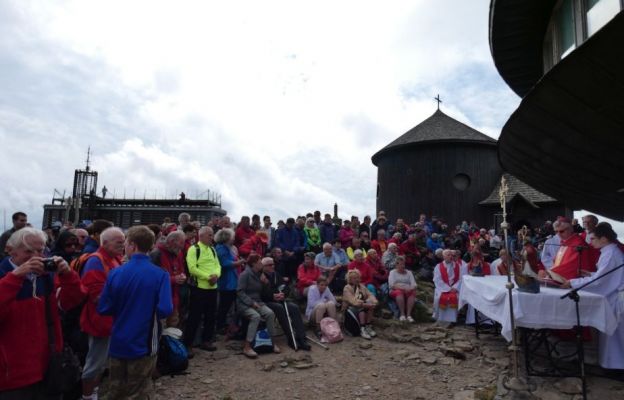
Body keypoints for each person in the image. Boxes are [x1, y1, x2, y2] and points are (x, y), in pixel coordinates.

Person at [0, 227, 84, 398]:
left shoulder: (46, 276)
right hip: (12, 375)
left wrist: (68, 275)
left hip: (48, 367)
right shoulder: (4, 275)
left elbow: (72, 302)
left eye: (40, 250)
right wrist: (15, 277)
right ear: (11, 251)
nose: (36, 256)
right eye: (28, 251)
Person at [97, 226, 172, 400]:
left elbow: (104, 308)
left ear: (131, 245)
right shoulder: (160, 275)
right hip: (144, 342)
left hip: (118, 341)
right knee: (139, 391)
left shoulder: (115, 273)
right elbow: (165, 309)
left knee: (115, 389)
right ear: (151, 246)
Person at [560, 222, 624, 369]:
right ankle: (612, 365)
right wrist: (592, 274)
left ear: (604, 239)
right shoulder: (609, 251)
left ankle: (617, 367)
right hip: (615, 296)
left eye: (594, 238)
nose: (590, 242)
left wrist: (572, 282)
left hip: (617, 299)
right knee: (613, 337)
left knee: (616, 337)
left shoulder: (610, 253)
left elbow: (600, 281)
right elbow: (608, 276)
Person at [80, 227, 125, 399]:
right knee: (95, 363)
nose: (122, 245)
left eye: (123, 242)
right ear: (104, 243)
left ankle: (95, 392)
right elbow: (96, 296)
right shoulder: (96, 261)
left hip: (112, 320)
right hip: (100, 321)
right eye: (118, 242)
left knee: (102, 362)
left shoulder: (115, 259)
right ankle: (87, 396)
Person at [184, 227, 221, 356]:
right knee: (194, 317)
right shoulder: (193, 249)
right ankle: (188, 344)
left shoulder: (212, 249)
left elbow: (218, 265)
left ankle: (206, 341)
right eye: (210, 235)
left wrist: (216, 276)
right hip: (199, 289)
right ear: (202, 236)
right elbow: (192, 268)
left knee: (211, 316)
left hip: (213, 288)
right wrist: (208, 277)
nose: (212, 237)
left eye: (212, 235)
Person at [260, 257, 310, 350]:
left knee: (294, 307)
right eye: (269, 265)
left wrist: (283, 294)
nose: (272, 266)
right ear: (263, 266)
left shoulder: (276, 275)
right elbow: (260, 293)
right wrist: (273, 295)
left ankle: (301, 337)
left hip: (280, 299)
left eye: (273, 264)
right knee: (280, 308)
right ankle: (291, 338)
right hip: (267, 301)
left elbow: (285, 287)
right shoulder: (260, 277)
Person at [237, 254, 281, 358]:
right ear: (253, 264)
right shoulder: (245, 274)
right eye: (259, 263)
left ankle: (273, 343)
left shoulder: (259, 274)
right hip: (244, 304)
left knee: (270, 313)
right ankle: (247, 347)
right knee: (255, 317)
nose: (261, 264)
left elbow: (264, 292)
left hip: (258, 302)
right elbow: (239, 291)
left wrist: (265, 282)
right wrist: (251, 303)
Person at [149, 230, 187, 328]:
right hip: (160, 301)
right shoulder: (156, 254)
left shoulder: (177, 252)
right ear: (172, 241)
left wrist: (182, 276)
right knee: (161, 329)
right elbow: (152, 279)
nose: (183, 246)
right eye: (181, 242)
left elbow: (181, 269)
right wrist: (174, 279)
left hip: (174, 299)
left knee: (172, 329)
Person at [214, 228, 245, 332]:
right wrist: (239, 262)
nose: (234, 239)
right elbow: (225, 264)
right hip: (226, 281)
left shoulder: (227, 248)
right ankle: (220, 326)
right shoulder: (221, 249)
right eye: (232, 237)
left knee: (227, 305)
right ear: (226, 238)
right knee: (224, 306)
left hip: (231, 280)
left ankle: (224, 324)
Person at [433, 249, 467, 324]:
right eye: (448, 255)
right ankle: (441, 318)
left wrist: (455, 287)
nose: (451, 256)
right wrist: (448, 288)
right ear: (443, 256)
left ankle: (453, 319)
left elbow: (461, 279)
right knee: (439, 297)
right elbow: (437, 279)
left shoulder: (458, 266)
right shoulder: (438, 267)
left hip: (454, 288)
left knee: (456, 297)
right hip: (443, 288)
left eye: (451, 255)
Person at [342, 269, 378, 340]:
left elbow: (370, 294)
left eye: (358, 277)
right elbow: (353, 301)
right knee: (361, 307)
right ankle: (362, 328)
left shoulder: (362, 286)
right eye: (355, 278)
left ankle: (368, 326)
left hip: (361, 305)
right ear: (350, 279)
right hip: (350, 309)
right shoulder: (347, 288)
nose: (357, 279)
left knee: (370, 306)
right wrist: (365, 304)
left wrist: (373, 301)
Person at [388, 256, 417, 322]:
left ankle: (409, 315)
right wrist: (403, 289)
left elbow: (414, 284)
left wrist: (410, 288)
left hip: (408, 289)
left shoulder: (409, 272)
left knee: (412, 293)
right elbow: (392, 285)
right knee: (399, 293)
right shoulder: (392, 272)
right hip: (395, 290)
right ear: (396, 265)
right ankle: (402, 314)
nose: (403, 266)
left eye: (403, 264)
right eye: (401, 264)